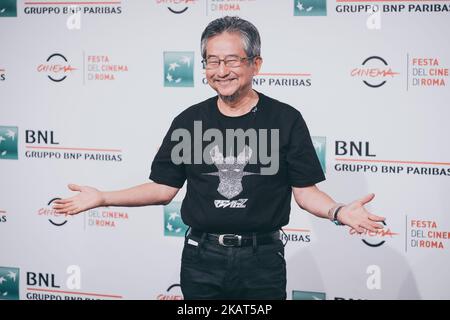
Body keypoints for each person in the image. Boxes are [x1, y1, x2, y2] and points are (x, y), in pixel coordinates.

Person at [53, 16, 385, 300]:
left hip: (262, 261)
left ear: (256, 63)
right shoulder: (189, 121)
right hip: (201, 258)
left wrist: (338, 211)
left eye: (232, 60)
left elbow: (306, 191)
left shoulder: (285, 119)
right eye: (212, 61)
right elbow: (163, 188)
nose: (221, 70)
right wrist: (102, 198)